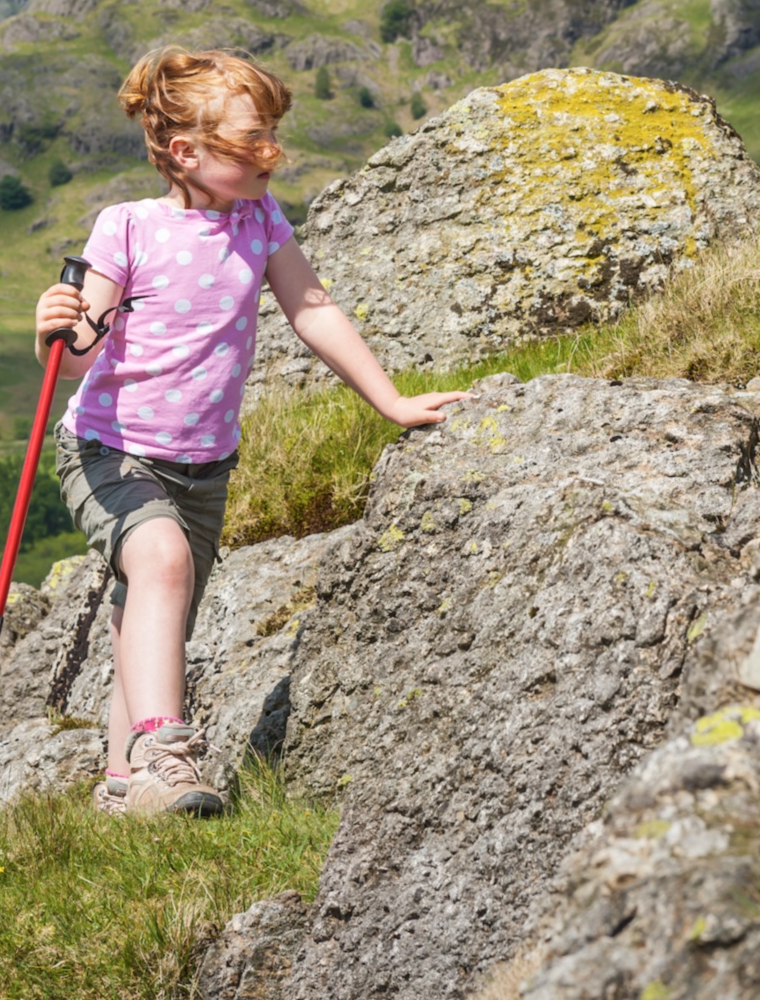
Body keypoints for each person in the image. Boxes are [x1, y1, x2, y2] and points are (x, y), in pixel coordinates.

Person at [35, 49, 468, 819]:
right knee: (162, 564)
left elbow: (313, 310)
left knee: (153, 605)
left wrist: (391, 403)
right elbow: (77, 360)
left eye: (273, 134)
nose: (272, 152)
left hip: (205, 465)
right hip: (109, 451)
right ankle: (168, 759)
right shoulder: (126, 228)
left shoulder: (261, 220)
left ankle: (120, 786)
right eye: (251, 140)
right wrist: (53, 333)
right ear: (185, 152)